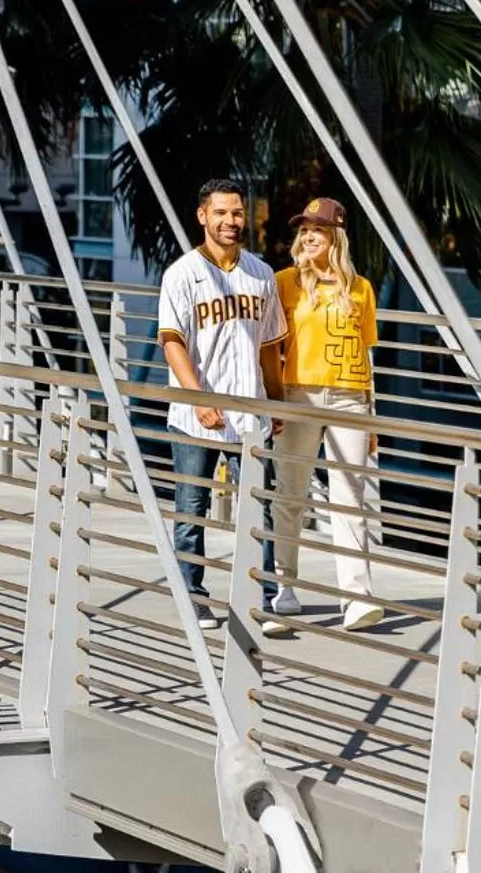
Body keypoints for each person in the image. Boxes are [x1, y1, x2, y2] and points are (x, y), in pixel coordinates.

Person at [157, 178, 289, 631]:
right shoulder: (181, 274)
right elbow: (171, 343)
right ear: (202, 216)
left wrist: (277, 402)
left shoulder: (261, 274)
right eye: (221, 213)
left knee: (261, 506)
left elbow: (270, 345)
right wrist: (198, 397)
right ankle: (193, 595)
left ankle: (265, 597)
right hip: (196, 414)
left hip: (250, 412)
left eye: (237, 213)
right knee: (192, 508)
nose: (231, 221)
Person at [268, 197, 387, 633]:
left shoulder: (361, 289)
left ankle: (357, 598)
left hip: (351, 398)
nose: (309, 236)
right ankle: (283, 589)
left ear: (336, 236)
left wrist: (371, 416)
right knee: (290, 496)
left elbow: (364, 355)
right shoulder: (283, 283)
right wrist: (272, 400)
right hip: (297, 395)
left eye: (318, 229)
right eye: (304, 230)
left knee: (350, 498)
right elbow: (270, 347)